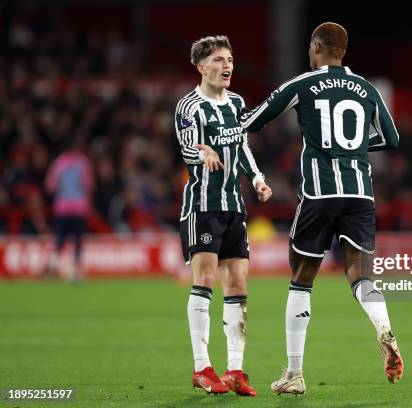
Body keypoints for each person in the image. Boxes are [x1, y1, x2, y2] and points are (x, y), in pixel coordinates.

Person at [240, 22, 403, 394]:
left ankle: (294, 375)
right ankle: (383, 327)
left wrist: (220, 132)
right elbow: (391, 138)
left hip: (320, 193)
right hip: (360, 195)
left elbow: (253, 120)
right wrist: (355, 150)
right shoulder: (366, 88)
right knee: (361, 276)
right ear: (343, 51)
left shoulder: (303, 84)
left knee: (301, 280)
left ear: (316, 47)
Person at [175, 35, 272, 397]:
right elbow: (186, 145)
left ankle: (235, 370)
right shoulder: (189, 106)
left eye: (229, 59)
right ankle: (202, 367)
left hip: (235, 207)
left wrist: (258, 179)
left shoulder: (236, 103)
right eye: (218, 60)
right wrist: (203, 153)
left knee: (238, 286)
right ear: (201, 67)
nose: (226, 65)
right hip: (203, 206)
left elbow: (242, 145)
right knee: (205, 282)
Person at [44, 139, 94, 282]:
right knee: (78, 240)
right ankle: (76, 272)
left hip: (62, 207)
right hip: (79, 207)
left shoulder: (58, 163)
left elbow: (50, 186)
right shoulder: (83, 163)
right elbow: (88, 185)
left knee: (59, 238)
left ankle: (52, 267)